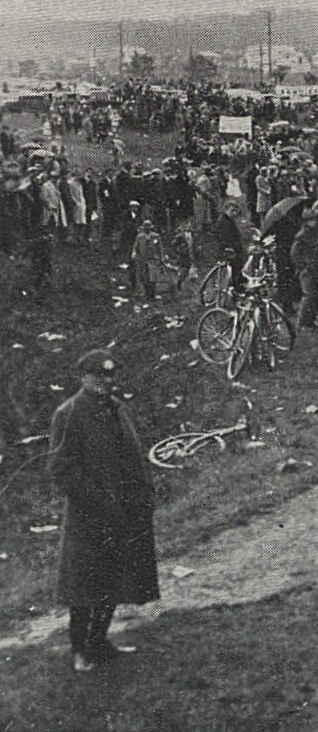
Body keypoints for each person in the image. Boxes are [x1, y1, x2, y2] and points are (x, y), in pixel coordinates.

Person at [48, 350, 160, 672]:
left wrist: (142, 494)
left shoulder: (116, 409)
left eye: (110, 375)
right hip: (89, 517)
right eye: (98, 376)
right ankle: (80, 651)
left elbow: (131, 456)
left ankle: (99, 642)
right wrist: (97, 500)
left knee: (114, 579)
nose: (106, 382)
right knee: (84, 587)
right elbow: (61, 469)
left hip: (123, 511)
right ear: (84, 377)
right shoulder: (69, 413)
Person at [291, 205, 318, 332]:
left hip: (316, 268)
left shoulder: (315, 233)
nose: (315, 222)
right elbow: (294, 254)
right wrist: (303, 266)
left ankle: (311, 321)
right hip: (307, 270)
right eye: (312, 219)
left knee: (316, 296)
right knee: (308, 296)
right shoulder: (301, 236)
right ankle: (302, 323)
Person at [131, 219, 165, 299]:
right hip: (142, 260)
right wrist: (134, 253)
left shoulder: (156, 236)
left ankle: (152, 294)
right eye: (145, 228)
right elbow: (135, 246)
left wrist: (161, 259)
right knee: (144, 277)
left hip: (153, 259)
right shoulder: (140, 237)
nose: (147, 230)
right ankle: (146, 293)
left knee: (153, 278)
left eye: (148, 228)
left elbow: (160, 248)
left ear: (151, 228)